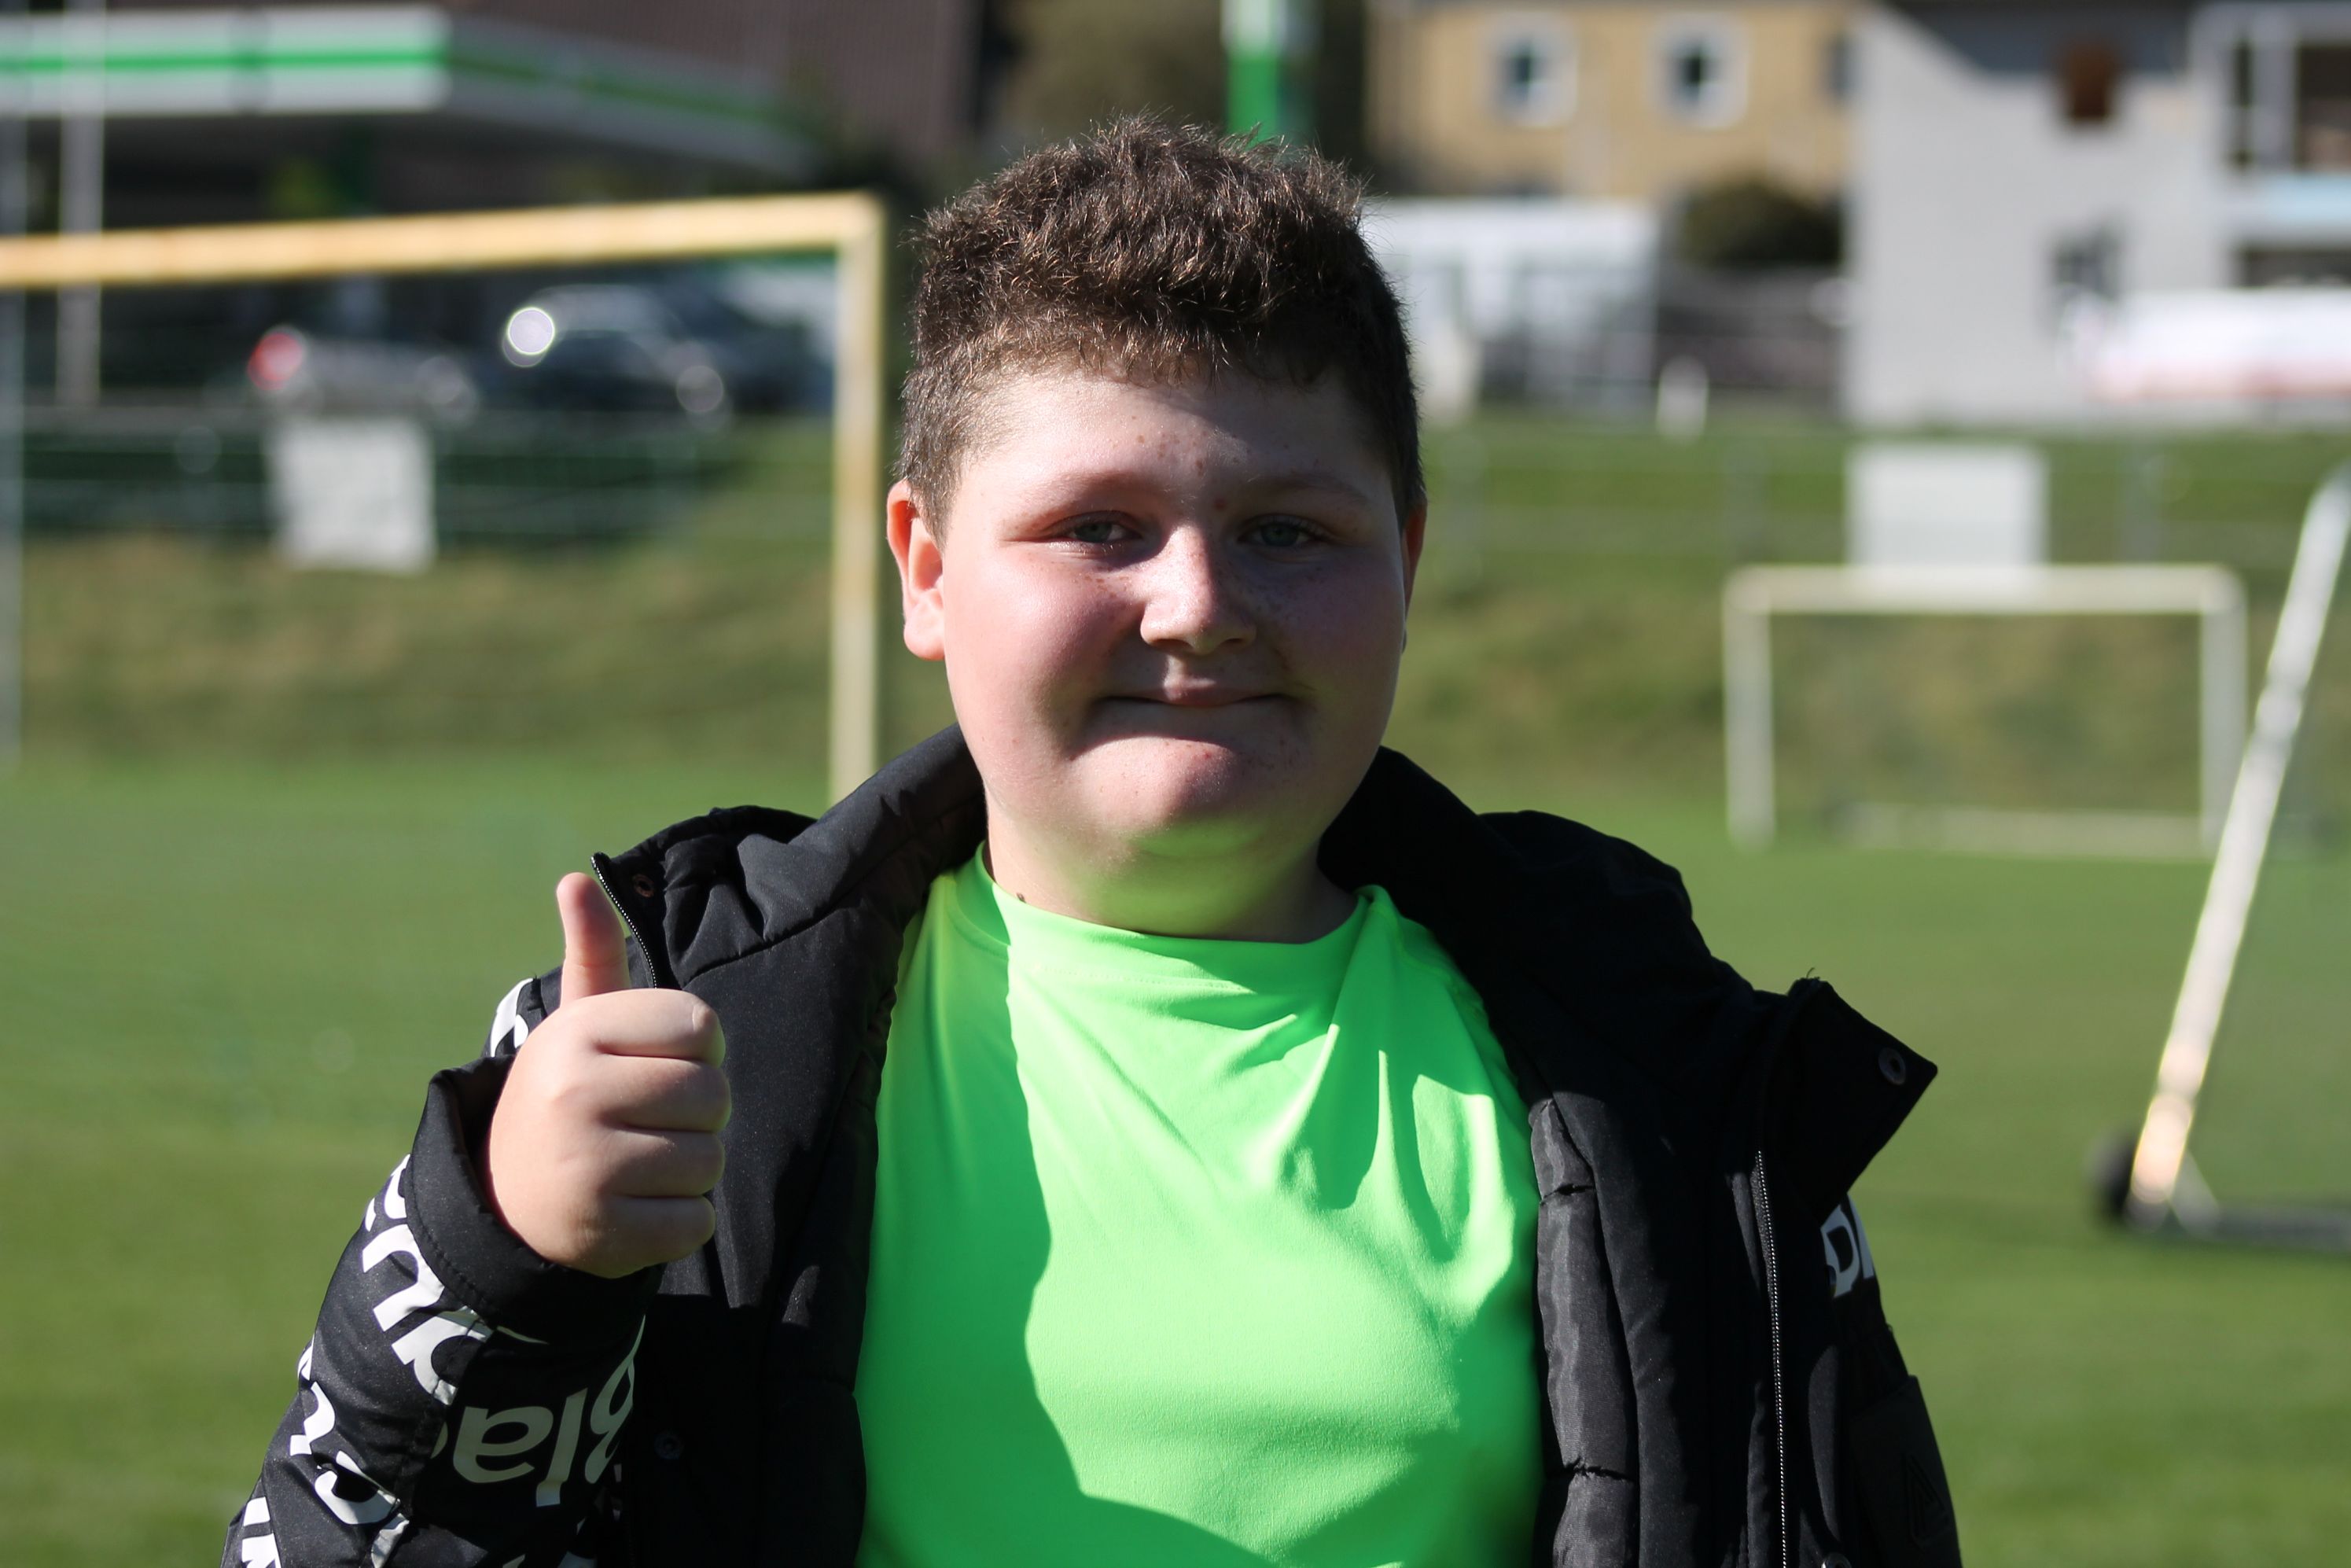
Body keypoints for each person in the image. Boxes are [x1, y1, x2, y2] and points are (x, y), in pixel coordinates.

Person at [223, 120, 1959, 1568]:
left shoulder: (1657, 1060)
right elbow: (327, 1537)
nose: (1197, 604)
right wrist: (513, 1262)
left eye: (1289, 530)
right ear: (925, 569)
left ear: (1409, 559)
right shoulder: (679, 1031)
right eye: (1099, 527)